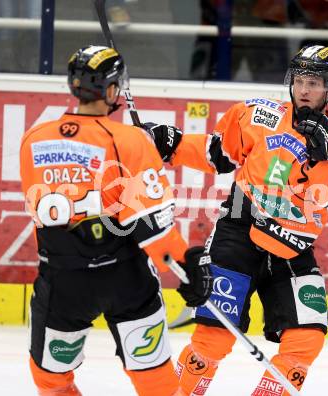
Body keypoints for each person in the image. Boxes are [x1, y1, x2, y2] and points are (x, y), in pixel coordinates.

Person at [145, 45, 328, 395]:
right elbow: (219, 153)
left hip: (293, 249)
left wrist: (324, 157)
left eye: (314, 82)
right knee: (212, 339)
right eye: (299, 81)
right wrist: (171, 143)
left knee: (306, 339)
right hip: (240, 234)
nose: (304, 90)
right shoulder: (256, 115)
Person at [19, 45, 213, 396]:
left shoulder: (33, 138)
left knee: (51, 381)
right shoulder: (129, 140)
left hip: (63, 282)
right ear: (112, 90)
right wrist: (188, 271)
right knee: (157, 383)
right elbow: (154, 228)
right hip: (125, 279)